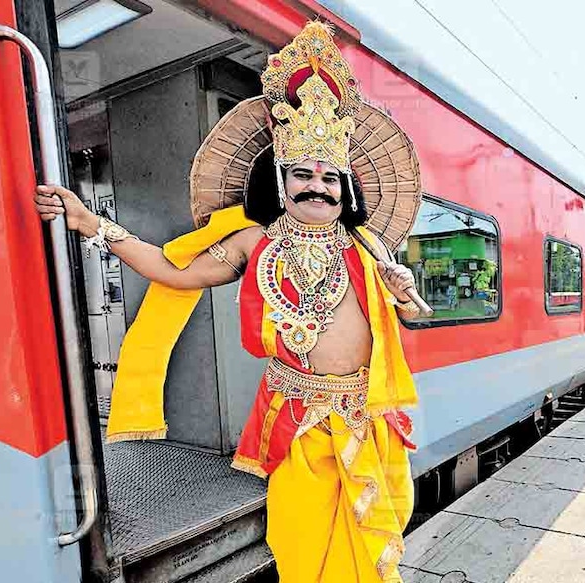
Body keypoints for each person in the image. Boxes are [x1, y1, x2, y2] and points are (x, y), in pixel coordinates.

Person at [36, 23, 421, 581]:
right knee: (302, 545)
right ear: (280, 182)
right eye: (303, 175)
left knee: (369, 551)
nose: (319, 186)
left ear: (347, 187)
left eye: (330, 177)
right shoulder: (254, 242)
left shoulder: (368, 243)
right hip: (298, 424)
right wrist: (93, 224)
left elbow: (407, 317)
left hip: (368, 421)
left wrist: (406, 297)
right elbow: (175, 271)